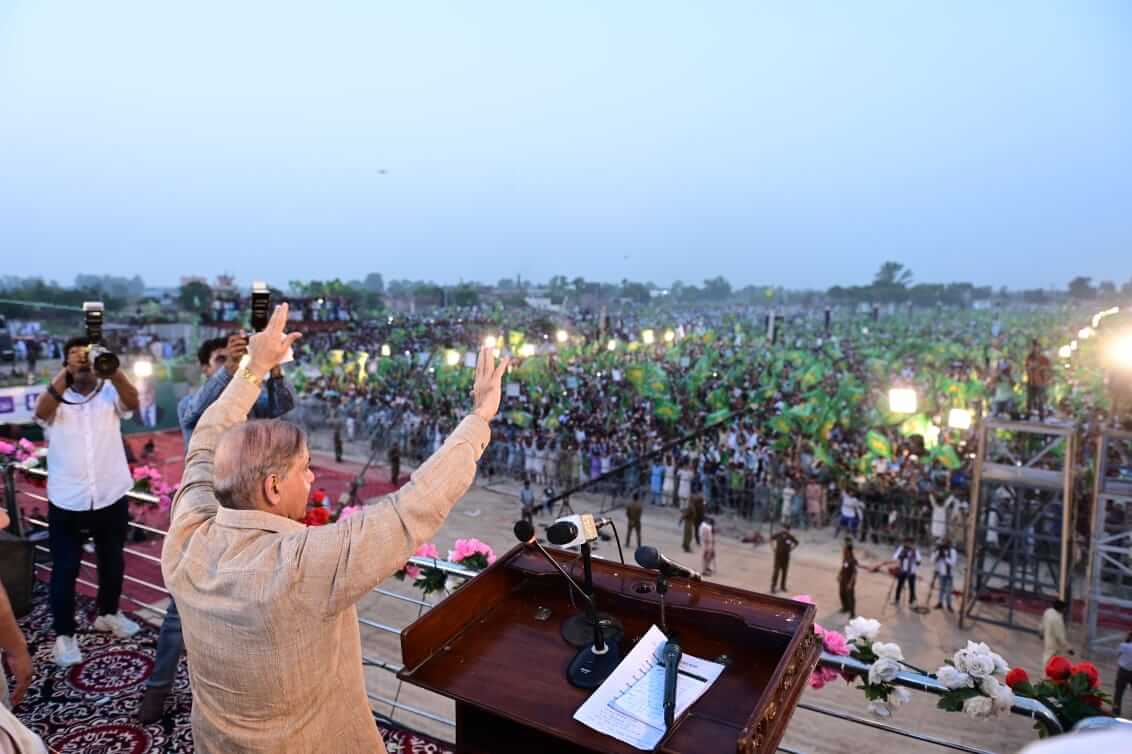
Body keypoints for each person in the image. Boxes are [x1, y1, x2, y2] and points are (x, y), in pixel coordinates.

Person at [162, 306, 508, 753]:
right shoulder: (304, 565)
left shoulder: (187, 535)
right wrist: (479, 417)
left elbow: (208, 435)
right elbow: (415, 506)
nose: (312, 479)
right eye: (304, 469)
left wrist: (256, 366)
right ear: (272, 487)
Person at [138, 333, 299, 724]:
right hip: (206, 523)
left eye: (234, 359)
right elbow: (204, 410)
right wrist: (233, 369)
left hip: (253, 521)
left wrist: (272, 367)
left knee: (254, 609)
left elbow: (282, 403)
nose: (231, 364)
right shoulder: (189, 404)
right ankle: (158, 690)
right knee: (179, 613)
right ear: (205, 367)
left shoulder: (254, 405)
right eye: (220, 360)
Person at [34, 335, 142, 668]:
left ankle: (108, 613)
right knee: (66, 570)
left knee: (113, 562)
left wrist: (113, 369)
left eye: (88, 356)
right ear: (65, 362)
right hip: (68, 500)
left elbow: (133, 402)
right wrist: (66, 374)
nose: (83, 362)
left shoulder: (110, 392)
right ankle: (65, 637)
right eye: (75, 356)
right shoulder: (56, 397)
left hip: (110, 495)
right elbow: (40, 412)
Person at [877, 537, 921, 607]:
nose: (908, 544)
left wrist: (913, 558)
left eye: (909, 543)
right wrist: (900, 556)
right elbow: (894, 557)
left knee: (912, 587)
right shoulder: (901, 549)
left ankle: (912, 602)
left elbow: (919, 561)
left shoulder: (915, 550)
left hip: (911, 572)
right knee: (899, 586)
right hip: (902, 570)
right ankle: (897, 600)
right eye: (906, 542)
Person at [1025, 340, 1052, 421]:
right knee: (1030, 400)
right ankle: (1028, 415)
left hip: (1041, 381)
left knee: (1041, 400)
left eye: (1037, 346)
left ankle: (1041, 416)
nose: (1036, 348)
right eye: (1034, 347)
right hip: (1031, 381)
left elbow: (1048, 368)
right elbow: (1027, 368)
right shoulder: (1029, 358)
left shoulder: (1044, 358)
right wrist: (1031, 367)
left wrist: (1040, 367)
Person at [1040, 599, 1073, 666]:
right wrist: (1068, 648)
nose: (1065, 610)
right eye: (1064, 608)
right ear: (1061, 608)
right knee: (1050, 660)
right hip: (1055, 644)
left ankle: (1046, 673)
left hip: (1047, 640)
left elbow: (1042, 623)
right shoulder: (1057, 619)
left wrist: (1041, 632)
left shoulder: (1048, 611)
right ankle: (1046, 674)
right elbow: (1060, 637)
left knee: (1047, 657)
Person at [769, 522, 798, 594]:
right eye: (784, 528)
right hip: (778, 556)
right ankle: (773, 587)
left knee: (784, 572)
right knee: (776, 572)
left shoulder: (790, 536)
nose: (785, 530)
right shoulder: (778, 534)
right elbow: (770, 539)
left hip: (786, 556)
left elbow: (796, 543)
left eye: (787, 529)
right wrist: (773, 548)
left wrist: (791, 549)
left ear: (788, 530)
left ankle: (782, 586)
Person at [932, 538, 957, 612]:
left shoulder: (953, 551)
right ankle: (940, 603)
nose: (945, 544)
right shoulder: (940, 550)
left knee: (949, 591)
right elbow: (932, 560)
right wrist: (937, 555)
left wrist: (945, 557)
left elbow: (953, 563)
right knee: (941, 589)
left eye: (947, 543)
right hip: (941, 573)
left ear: (949, 544)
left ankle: (949, 605)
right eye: (944, 543)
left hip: (949, 574)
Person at [838, 537, 858, 616]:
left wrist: (850, 583)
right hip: (843, 579)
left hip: (849, 581)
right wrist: (839, 574)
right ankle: (845, 607)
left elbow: (854, 573)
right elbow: (843, 567)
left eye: (845, 549)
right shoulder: (845, 558)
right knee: (842, 593)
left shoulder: (852, 560)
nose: (843, 550)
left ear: (848, 551)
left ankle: (852, 613)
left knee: (850, 597)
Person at [1115, 630, 1132, 718]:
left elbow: (1118, 655)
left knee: (1119, 692)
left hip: (1123, 671)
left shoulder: (1123, 645)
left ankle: (1116, 711)